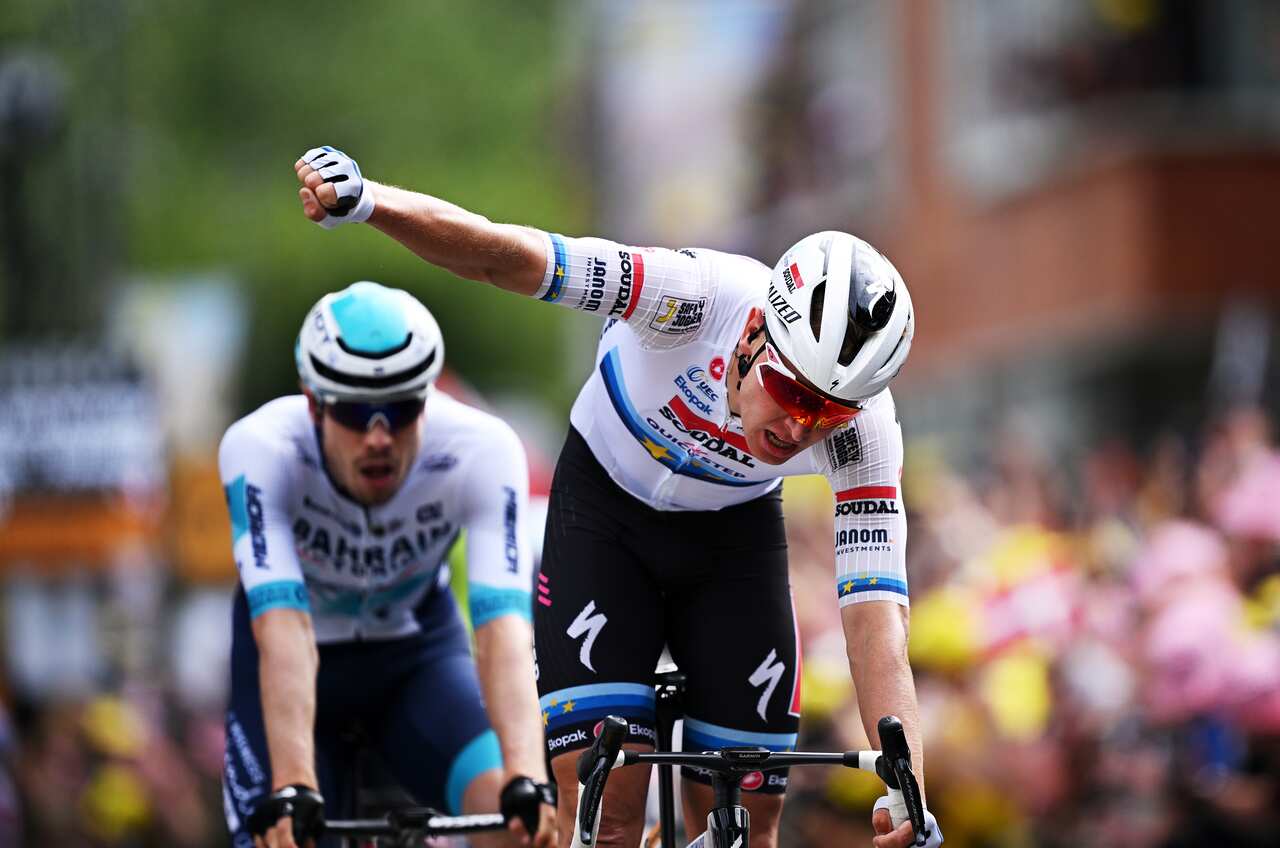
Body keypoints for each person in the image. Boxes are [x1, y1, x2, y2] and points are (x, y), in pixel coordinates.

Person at [293, 146, 943, 848]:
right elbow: (502, 256)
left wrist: (909, 792)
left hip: (732, 541)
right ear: (756, 333)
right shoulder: (692, 298)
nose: (798, 428)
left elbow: (877, 622)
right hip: (603, 514)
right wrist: (369, 201)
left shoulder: (865, 431)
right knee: (608, 812)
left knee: (748, 825)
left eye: (826, 416)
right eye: (790, 394)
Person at [217, 281, 556, 848]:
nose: (379, 438)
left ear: (427, 399)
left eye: (400, 410)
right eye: (355, 412)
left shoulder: (482, 448)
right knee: (283, 837)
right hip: (294, 655)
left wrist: (526, 773)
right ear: (313, 403)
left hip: (416, 654)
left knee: (516, 822)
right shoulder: (262, 448)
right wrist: (295, 784)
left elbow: (502, 629)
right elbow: (282, 629)